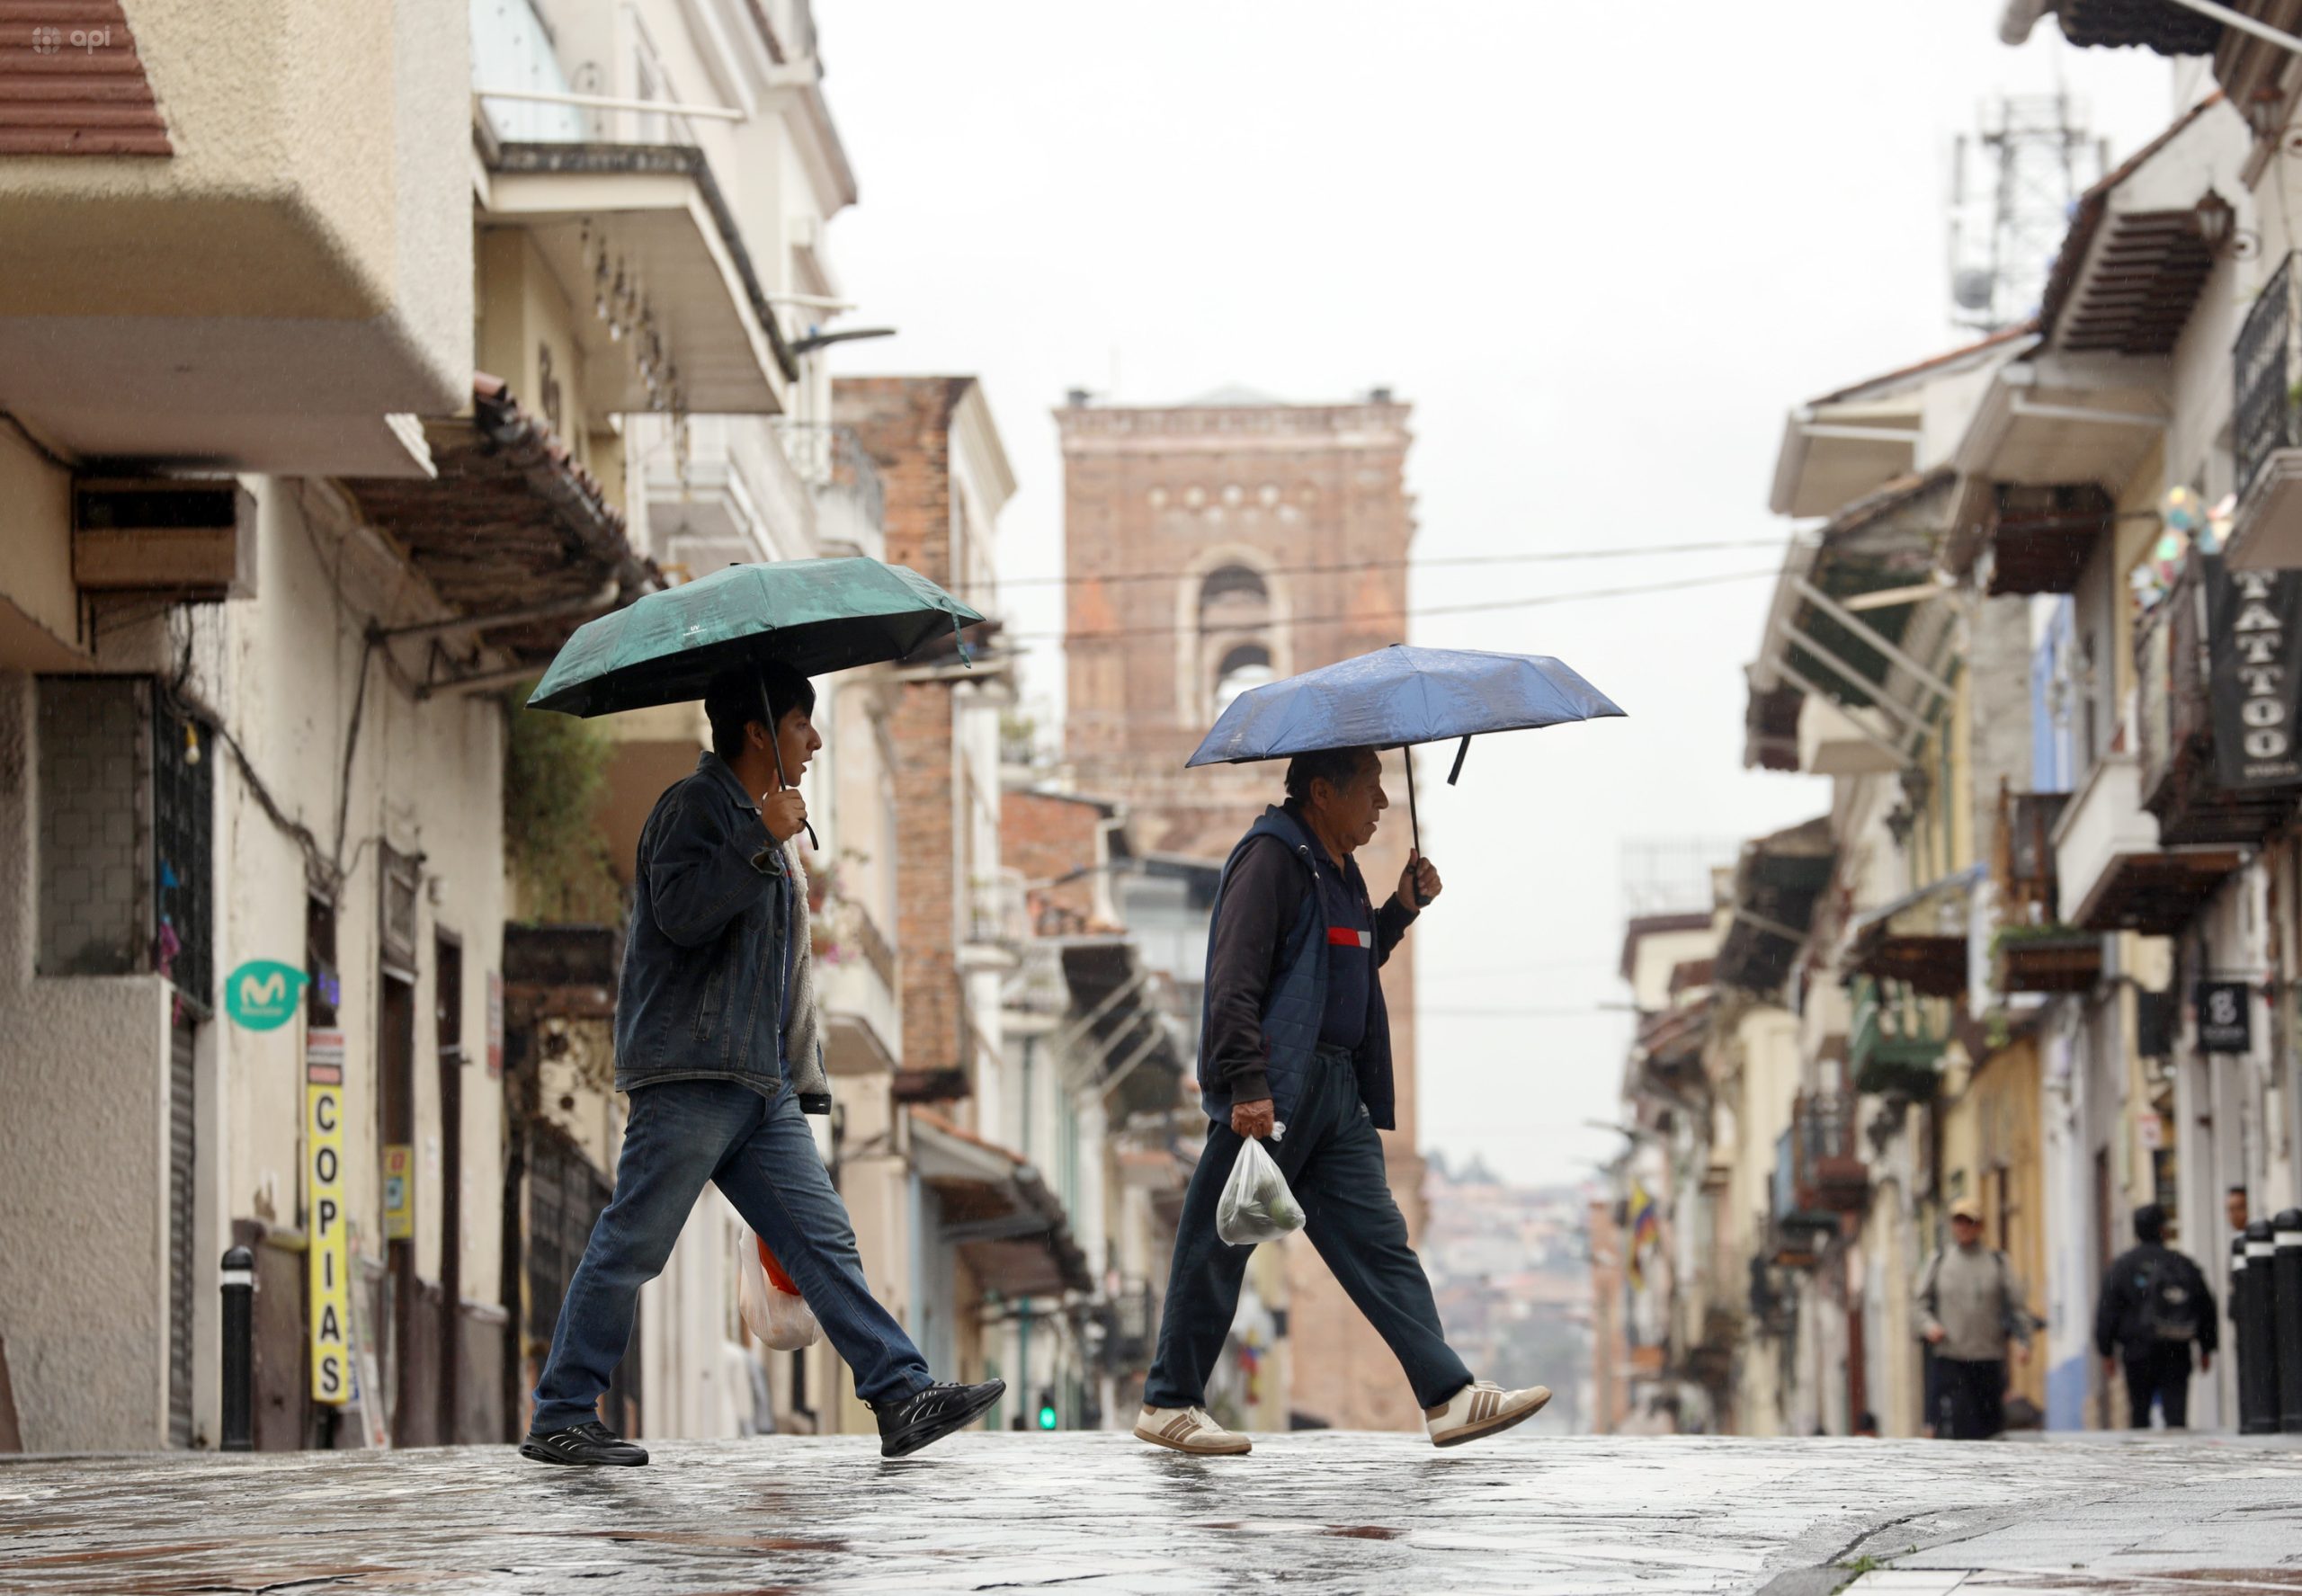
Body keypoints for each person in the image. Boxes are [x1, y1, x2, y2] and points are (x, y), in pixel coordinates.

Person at [521, 664, 1003, 1467]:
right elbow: (680, 915)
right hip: (692, 1073)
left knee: (823, 1239)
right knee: (633, 1241)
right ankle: (563, 1411)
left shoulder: (762, 823)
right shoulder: (695, 810)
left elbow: (779, 970)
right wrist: (757, 839)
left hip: (759, 1080)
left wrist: (798, 1069)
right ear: (758, 733)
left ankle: (899, 1392)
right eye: (800, 724)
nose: (812, 740)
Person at [1133, 745, 1551, 1456]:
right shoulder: (1270, 859)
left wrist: (1401, 908)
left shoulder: (1339, 871)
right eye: (1373, 788)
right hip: (1277, 1085)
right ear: (1323, 791)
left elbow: (1348, 961)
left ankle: (1448, 1395)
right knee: (1219, 1238)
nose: (1384, 804)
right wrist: (1248, 1085)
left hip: (1338, 1092)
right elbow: (1232, 980)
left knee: (1381, 1244)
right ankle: (1170, 1402)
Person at [1914, 1198, 2031, 1440]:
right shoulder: (1939, 1260)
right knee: (1959, 1421)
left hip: (1988, 1357)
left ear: (1979, 1226)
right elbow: (1918, 1304)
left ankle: (1987, 1475)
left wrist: (2024, 1341)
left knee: (1990, 1427)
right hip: (1952, 1357)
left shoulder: (1997, 1262)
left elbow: (2018, 1307)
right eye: (1958, 1221)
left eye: (1969, 1221)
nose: (1963, 1227)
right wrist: (1929, 1326)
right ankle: (1963, 1473)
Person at [2094, 1203, 2216, 1430]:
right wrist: (2207, 1346)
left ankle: (2142, 1462)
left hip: (2136, 1350)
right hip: (2175, 1347)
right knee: (2176, 1414)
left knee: (2140, 1413)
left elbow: (2107, 1310)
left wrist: (2106, 1351)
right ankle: (2177, 1460)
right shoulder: (2181, 1263)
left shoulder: (2122, 1267)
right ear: (2163, 1229)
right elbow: (2204, 1304)